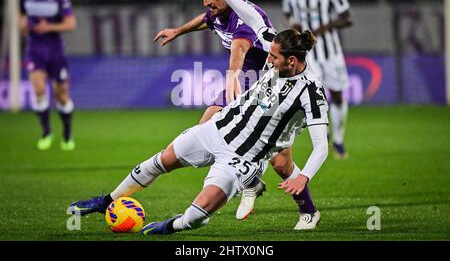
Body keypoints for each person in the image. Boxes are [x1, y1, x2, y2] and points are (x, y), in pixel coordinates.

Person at [68, 25, 329, 235]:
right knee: (156, 162)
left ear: (291, 61)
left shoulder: (311, 92)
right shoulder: (276, 53)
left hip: (240, 159)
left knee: (196, 216)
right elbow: (250, 13)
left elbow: (321, 146)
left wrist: (303, 176)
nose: (268, 61)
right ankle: (107, 201)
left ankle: (172, 225)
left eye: (273, 57)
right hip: (216, 129)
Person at [154, 0, 320, 228]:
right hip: (246, 84)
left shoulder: (244, 18)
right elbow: (206, 21)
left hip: (261, 86)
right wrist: (178, 31)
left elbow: (239, 49)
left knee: (281, 162)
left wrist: (233, 75)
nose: (206, 3)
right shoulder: (220, 10)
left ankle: (305, 208)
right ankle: (251, 180)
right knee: (206, 127)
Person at [282, 0, 353, 158]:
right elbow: (287, 12)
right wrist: (293, 23)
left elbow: (347, 17)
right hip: (307, 54)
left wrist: (327, 26)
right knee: (312, 96)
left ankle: (338, 140)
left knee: (338, 96)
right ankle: (322, 140)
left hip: (331, 52)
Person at [19, 0, 77, 151]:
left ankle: (67, 133)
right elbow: (20, 17)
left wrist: (49, 27)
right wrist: (23, 25)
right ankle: (46, 132)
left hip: (55, 52)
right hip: (34, 51)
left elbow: (70, 24)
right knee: (38, 90)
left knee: (61, 95)